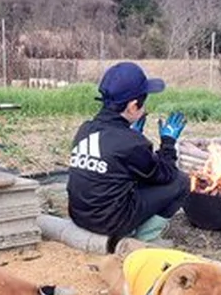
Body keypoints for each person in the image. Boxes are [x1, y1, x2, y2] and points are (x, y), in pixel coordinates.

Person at [67, 61, 190, 248]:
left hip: (80, 215)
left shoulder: (85, 129)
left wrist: (134, 136)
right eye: (142, 104)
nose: (143, 109)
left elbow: (116, 162)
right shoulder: (131, 142)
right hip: (109, 222)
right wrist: (168, 143)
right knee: (181, 182)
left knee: (135, 178)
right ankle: (143, 241)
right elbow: (166, 174)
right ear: (132, 106)